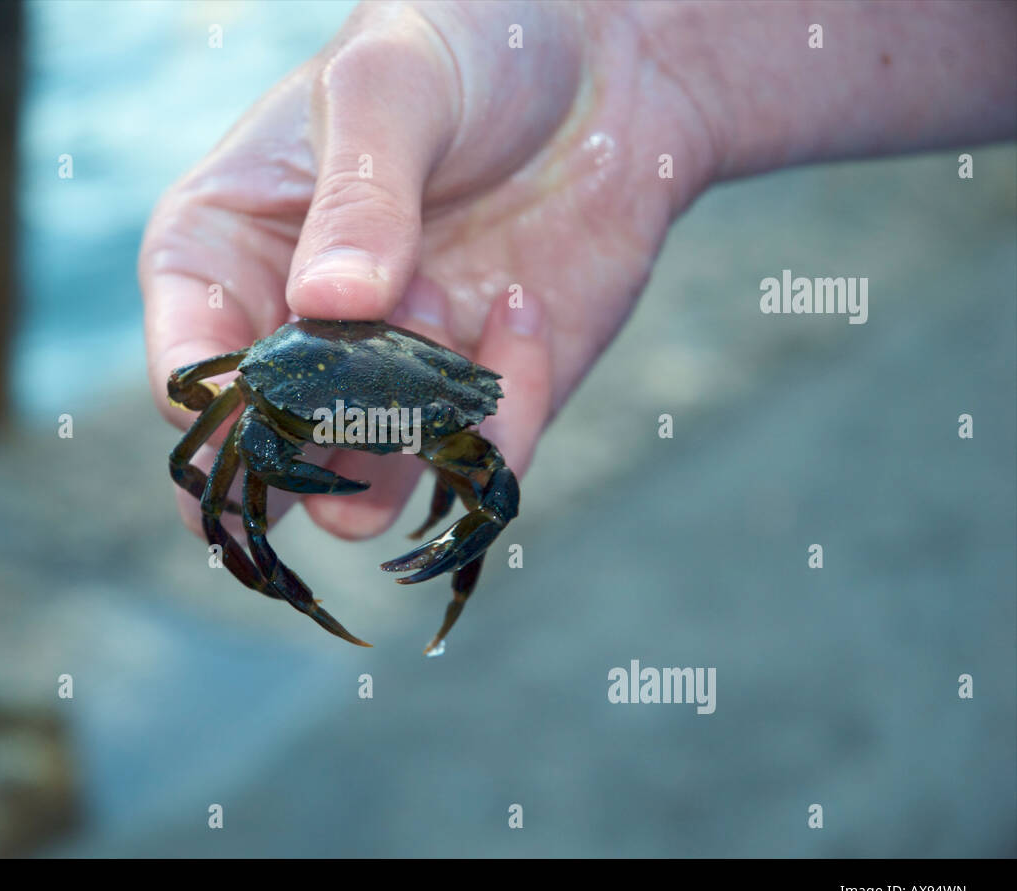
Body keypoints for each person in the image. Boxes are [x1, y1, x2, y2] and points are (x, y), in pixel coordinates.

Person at [141, 0, 1015, 541]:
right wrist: (609, 42)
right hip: (290, 373)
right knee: (234, 496)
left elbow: (492, 488)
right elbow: (199, 454)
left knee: (477, 482)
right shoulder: (254, 390)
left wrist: (621, 47)